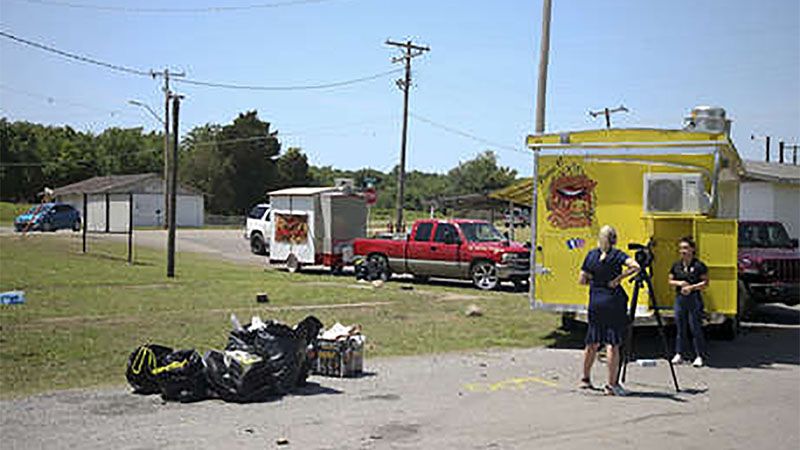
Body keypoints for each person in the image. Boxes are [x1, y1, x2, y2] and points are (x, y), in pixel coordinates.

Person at [578, 225, 641, 396]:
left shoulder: (591, 255)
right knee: (612, 343)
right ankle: (611, 384)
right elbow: (636, 267)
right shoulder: (617, 255)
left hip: (595, 301)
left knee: (592, 341)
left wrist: (593, 277)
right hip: (613, 301)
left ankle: (585, 378)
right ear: (614, 239)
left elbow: (582, 280)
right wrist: (618, 279)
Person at [668, 236, 709, 368]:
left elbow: (705, 282)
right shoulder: (676, 265)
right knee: (680, 328)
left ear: (692, 249)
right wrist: (680, 283)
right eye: (681, 248)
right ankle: (679, 353)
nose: (683, 251)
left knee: (695, 328)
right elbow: (670, 280)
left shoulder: (699, 265)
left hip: (694, 299)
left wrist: (691, 288)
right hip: (680, 299)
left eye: (685, 248)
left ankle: (699, 356)